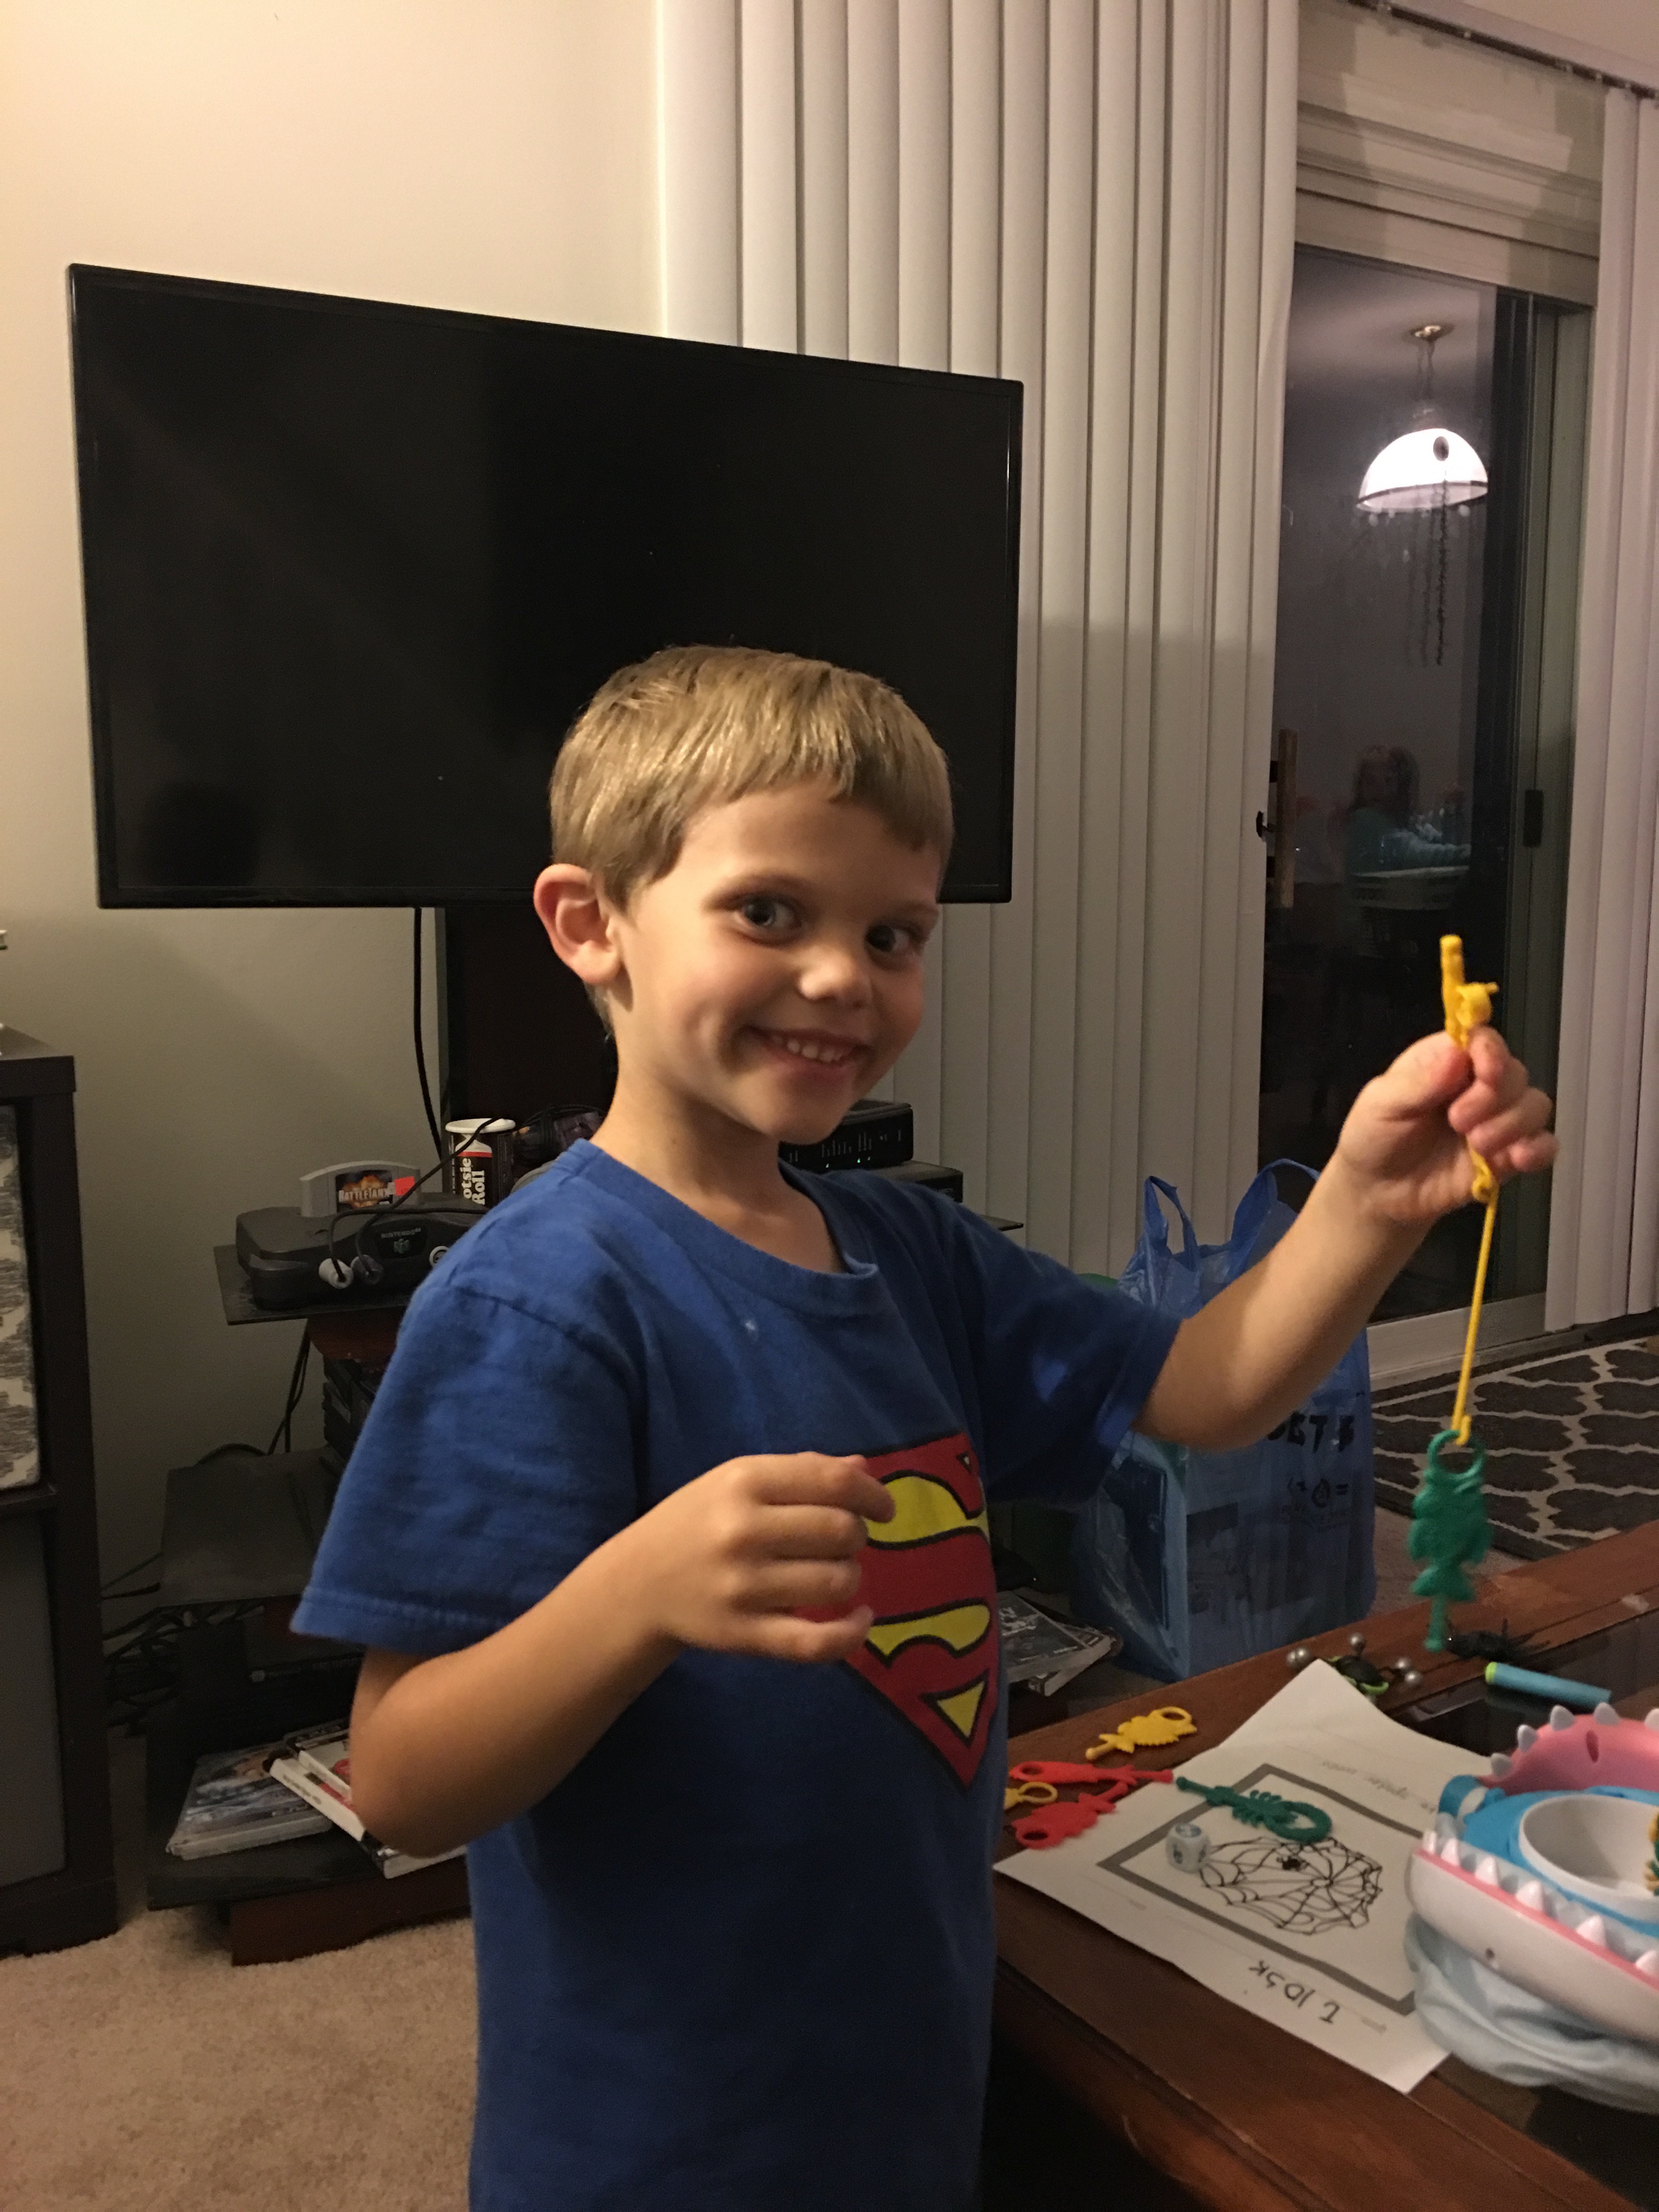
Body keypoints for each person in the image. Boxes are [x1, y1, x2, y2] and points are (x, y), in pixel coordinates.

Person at [292, 647, 1555, 2211]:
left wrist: (1366, 1199)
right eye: (771, 912)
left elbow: (1207, 1389)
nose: (844, 977)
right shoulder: (535, 1304)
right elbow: (404, 1782)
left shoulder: (912, 1251)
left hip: (903, 2073)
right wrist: (635, 1595)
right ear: (590, 923)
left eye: (892, 934)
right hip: (661, 2143)